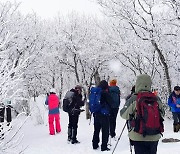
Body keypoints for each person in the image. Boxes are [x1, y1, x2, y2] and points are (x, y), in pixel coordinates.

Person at [120, 74, 165, 154]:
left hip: (138, 135)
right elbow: (162, 114)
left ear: (137, 84)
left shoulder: (134, 98)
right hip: (154, 135)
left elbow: (123, 114)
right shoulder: (156, 98)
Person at [92, 80, 112, 151]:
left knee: (96, 130)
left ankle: (95, 144)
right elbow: (110, 102)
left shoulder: (95, 92)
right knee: (105, 130)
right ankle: (104, 146)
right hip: (104, 114)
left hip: (96, 113)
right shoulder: (105, 93)